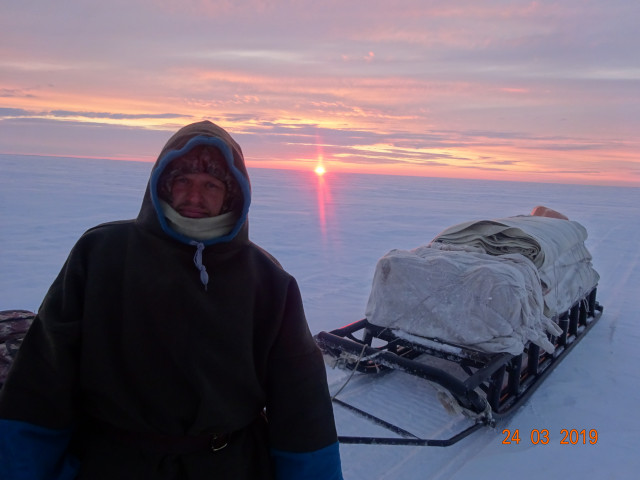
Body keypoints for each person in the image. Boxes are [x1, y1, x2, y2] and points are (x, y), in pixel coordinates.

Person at [0, 120, 343, 480]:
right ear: (162, 184)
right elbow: (42, 379)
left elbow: (302, 406)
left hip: (227, 466)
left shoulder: (268, 281)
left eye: (211, 185)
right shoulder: (101, 255)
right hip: (111, 463)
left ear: (232, 194)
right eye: (183, 181)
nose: (194, 197)